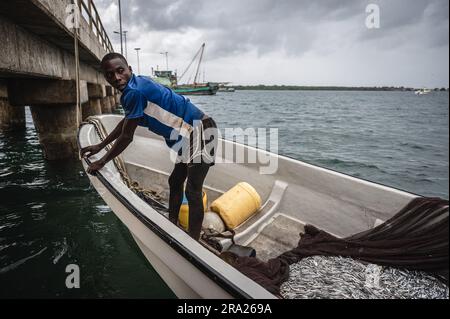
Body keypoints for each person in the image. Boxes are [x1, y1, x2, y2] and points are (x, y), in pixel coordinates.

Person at [80, 53, 218, 240]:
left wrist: (102, 161)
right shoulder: (135, 86)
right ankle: (172, 223)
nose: (116, 78)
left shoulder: (134, 92)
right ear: (105, 77)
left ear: (130, 69)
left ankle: (193, 243)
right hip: (189, 134)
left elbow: (127, 136)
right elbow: (126, 123)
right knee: (175, 181)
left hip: (200, 130)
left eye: (120, 71)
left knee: (192, 190)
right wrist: (100, 145)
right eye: (110, 75)